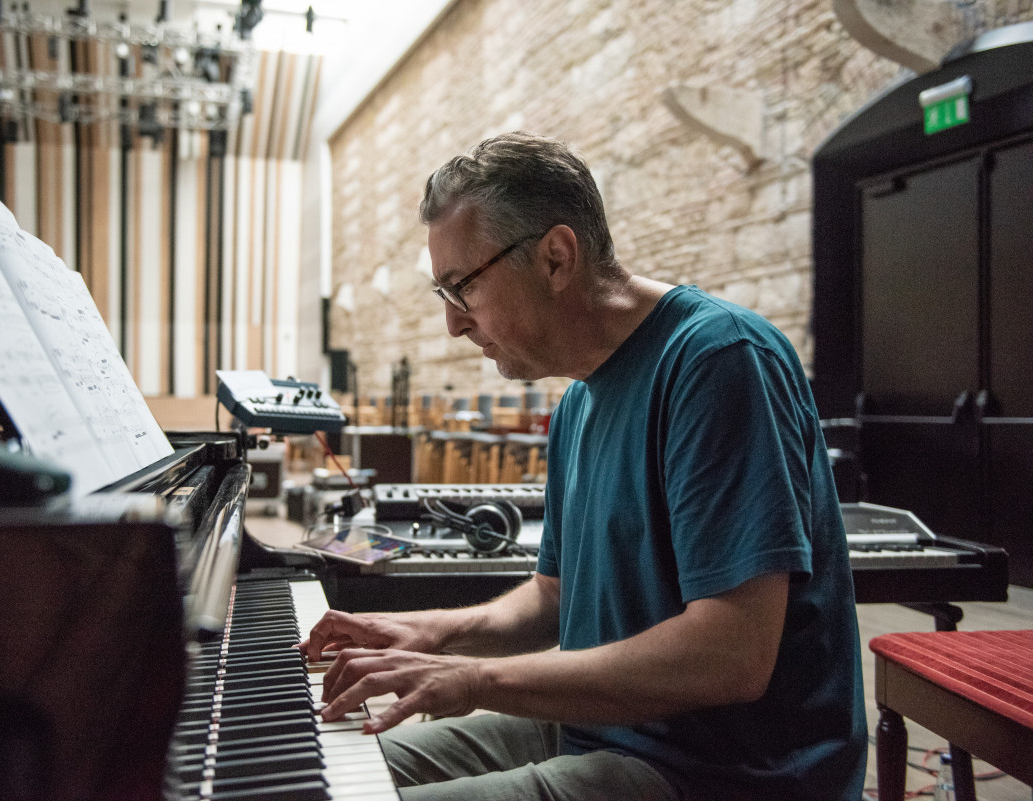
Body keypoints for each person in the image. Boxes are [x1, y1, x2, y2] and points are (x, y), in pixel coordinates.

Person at [301, 131, 867, 801]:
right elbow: (554, 597)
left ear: (556, 258)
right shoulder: (577, 404)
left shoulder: (718, 360)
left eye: (462, 288)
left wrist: (474, 679)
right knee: (320, 779)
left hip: (721, 770)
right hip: (604, 727)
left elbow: (732, 653)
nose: (454, 324)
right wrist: (427, 633)